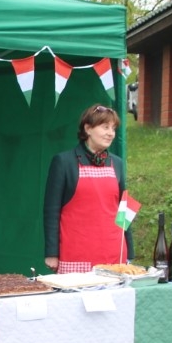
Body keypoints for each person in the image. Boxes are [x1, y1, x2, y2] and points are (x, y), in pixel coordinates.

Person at [44, 104, 133, 273]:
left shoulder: (118, 164)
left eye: (113, 128)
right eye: (105, 127)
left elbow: (124, 209)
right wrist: (52, 253)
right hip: (76, 253)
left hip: (113, 254)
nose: (110, 133)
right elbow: (51, 210)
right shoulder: (64, 162)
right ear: (88, 129)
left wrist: (130, 251)